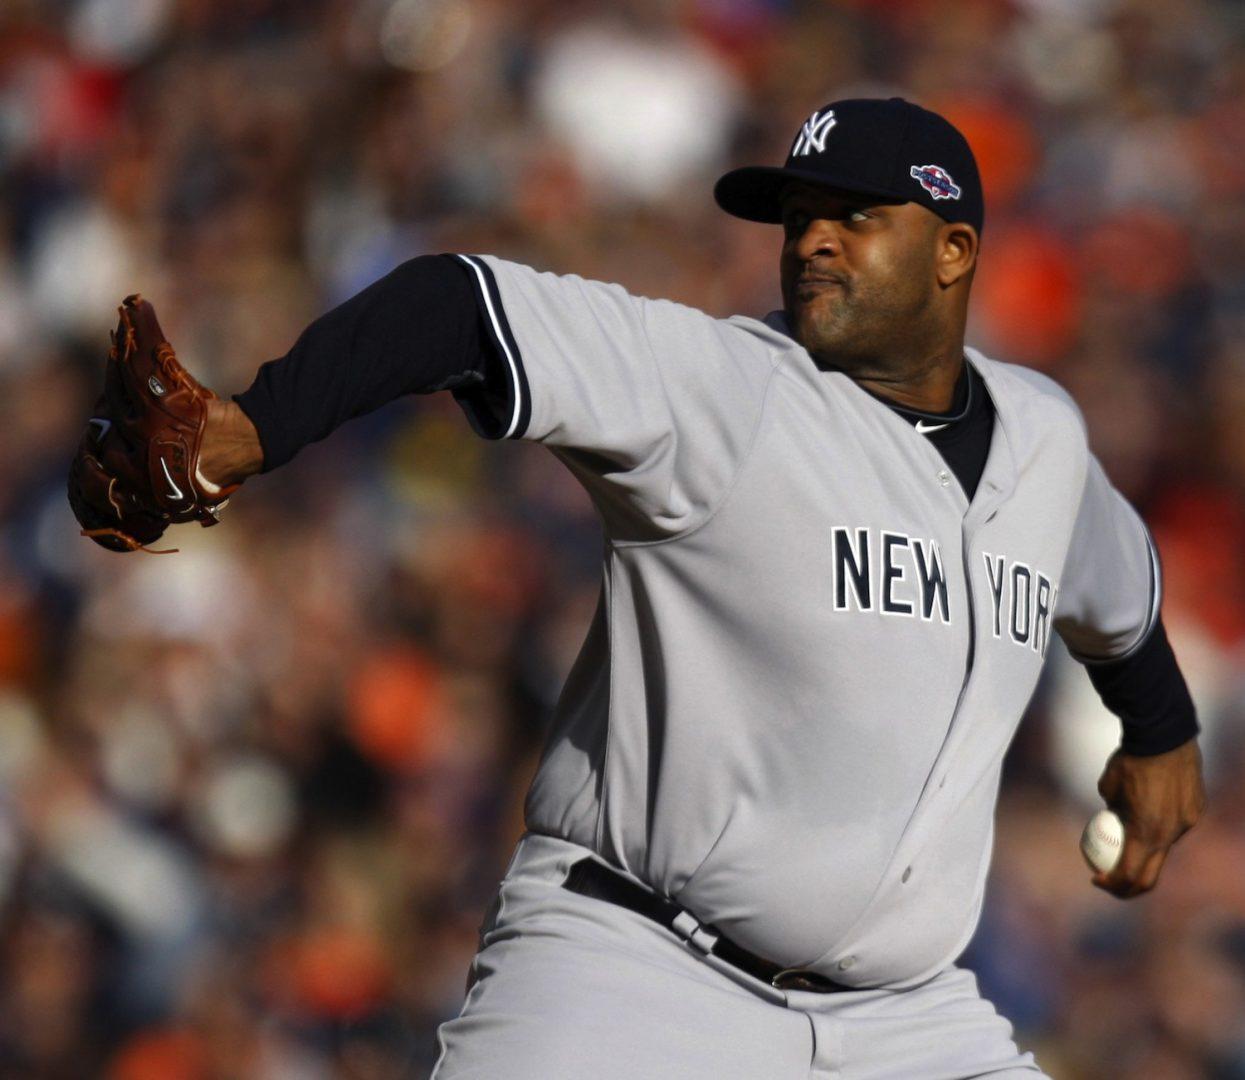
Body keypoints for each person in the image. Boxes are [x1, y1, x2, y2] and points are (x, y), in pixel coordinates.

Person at [189, 98, 1206, 1078]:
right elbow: (461, 304)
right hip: (637, 972)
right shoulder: (725, 388)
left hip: (908, 1020)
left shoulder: (1042, 438)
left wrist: (1159, 731)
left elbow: (1117, 590)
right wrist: (252, 427)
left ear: (954, 252)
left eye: (855, 216)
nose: (814, 241)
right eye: (799, 217)